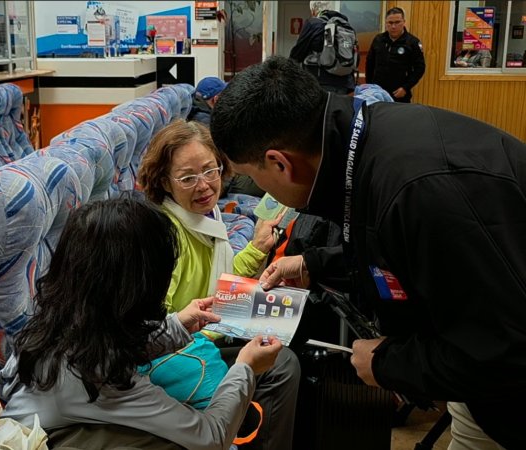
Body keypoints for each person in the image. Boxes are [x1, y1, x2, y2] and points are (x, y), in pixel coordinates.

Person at [209, 55, 526, 450]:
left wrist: (387, 364)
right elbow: (405, 255)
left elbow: (507, 351)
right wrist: (314, 264)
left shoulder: (419, 191)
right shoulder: (362, 143)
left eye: (252, 177)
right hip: (478, 388)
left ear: (279, 162)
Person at [0, 196, 299, 450]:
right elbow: (211, 437)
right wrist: (246, 367)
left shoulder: (60, 321)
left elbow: (115, 343)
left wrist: (178, 325)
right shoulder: (99, 378)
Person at [138, 119, 280, 314]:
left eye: (209, 171)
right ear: (165, 183)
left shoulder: (207, 214)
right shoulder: (163, 237)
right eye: (188, 178)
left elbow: (219, 280)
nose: (203, 186)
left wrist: (258, 247)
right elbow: (156, 324)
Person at [289, 1, 356, 94]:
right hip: (344, 83)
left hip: (321, 82)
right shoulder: (345, 25)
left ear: (313, 10)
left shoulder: (313, 23)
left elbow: (297, 53)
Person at [365, 7, 425, 103]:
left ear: (404, 22)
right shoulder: (378, 40)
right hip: (378, 93)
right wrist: (370, 86)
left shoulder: (412, 42)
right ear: (386, 23)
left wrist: (406, 87)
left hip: (399, 94)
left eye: (397, 22)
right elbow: (369, 63)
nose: (393, 26)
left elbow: (420, 68)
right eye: (390, 22)